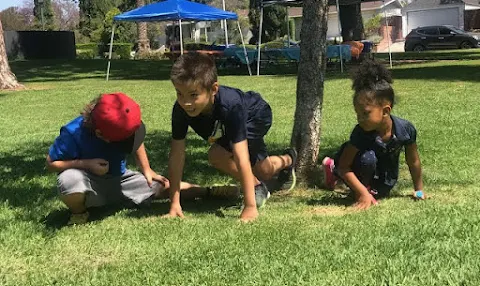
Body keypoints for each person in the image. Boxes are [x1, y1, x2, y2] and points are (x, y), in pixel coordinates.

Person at [46, 92, 232, 225]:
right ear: (100, 133)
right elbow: (51, 163)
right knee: (68, 179)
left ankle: (209, 192)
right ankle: (79, 213)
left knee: (164, 185)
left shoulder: (120, 117)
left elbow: (136, 141)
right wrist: (85, 164)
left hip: (121, 180)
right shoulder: (72, 132)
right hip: (90, 184)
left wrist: (147, 169)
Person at [165, 53, 297, 222]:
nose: (186, 102)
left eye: (193, 95)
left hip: (255, 115)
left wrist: (250, 207)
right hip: (227, 126)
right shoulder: (180, 111)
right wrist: (174, 203)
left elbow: (241, 156)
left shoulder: (231, 105)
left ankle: (278, 169)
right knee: (263, 171)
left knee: (220, 156)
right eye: (179, 94)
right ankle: (272, 173)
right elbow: (177, 155)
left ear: (213, 89)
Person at [322, 60, 425, 209]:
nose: (360, 118)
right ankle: (334, 169)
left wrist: (419, 190)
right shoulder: (360, 132)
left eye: (365, 113)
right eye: (357, 113)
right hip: (355, 164)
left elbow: (413, 161)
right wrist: (363, 193)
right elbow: (344, 166)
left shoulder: (405, 130)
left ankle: (340, 174)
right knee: (367, 159)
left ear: (385, 111)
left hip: (382, 173)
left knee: (382, 191)